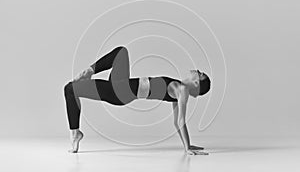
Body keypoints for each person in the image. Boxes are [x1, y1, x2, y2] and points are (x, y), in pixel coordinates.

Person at [63, 46, 211, 155]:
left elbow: (180, 121)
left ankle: (75, 133)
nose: (198, 71)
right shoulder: (179, 87)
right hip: (122, 86)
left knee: (70, 88)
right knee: (121, 53)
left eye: (200, 74)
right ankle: (88, 73)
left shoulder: (182, 90)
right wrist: (188, 144)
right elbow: (176, 123)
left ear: (197, 83)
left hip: (120, 92)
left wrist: (187, 148)